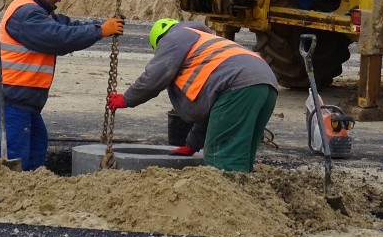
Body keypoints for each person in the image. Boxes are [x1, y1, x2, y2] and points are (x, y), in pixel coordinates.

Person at [0, 0, 124, 171]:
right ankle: (9, 195)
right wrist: (99, 32)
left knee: (37, 147)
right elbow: (60, 37)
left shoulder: (40, 10)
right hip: (12, 95)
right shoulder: (26, 14)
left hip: (23, 97)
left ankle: (29, 191)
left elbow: (67, 26)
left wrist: (101, 25)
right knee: (16, 156)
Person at [107, 18, 278, 172]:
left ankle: (222, 205)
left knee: (222, 159)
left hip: (238, 85)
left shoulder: (174, 38)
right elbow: (212, 113)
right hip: (265, 83)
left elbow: (155, 75)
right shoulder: (202, 46)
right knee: (240, 156)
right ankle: (244, 200)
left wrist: (127, 98)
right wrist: (192, 145)